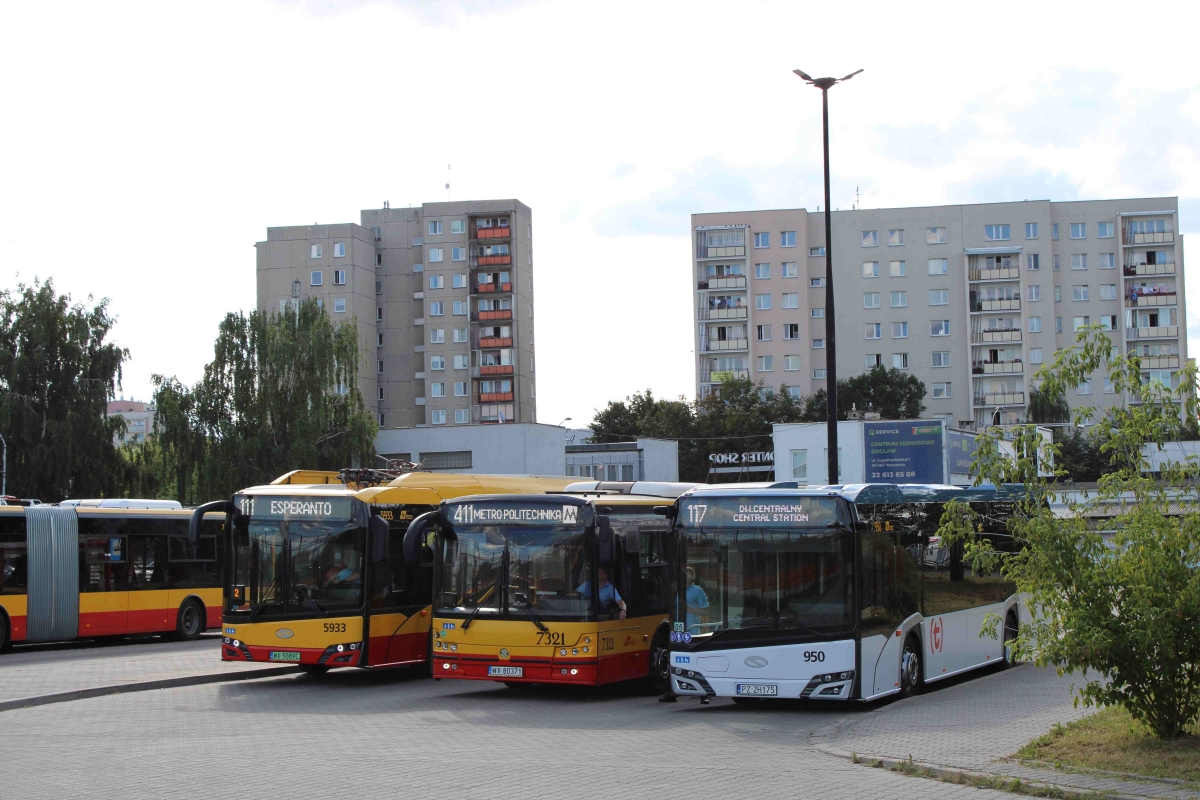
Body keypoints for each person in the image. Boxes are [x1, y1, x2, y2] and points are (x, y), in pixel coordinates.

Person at [685, 567, 710, 632]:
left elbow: (706, 611)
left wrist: (688, 609)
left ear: (692, 576)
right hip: (678, 632)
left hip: (692, 631)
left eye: (685, 574)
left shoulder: (698, 591)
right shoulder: (677, 590)